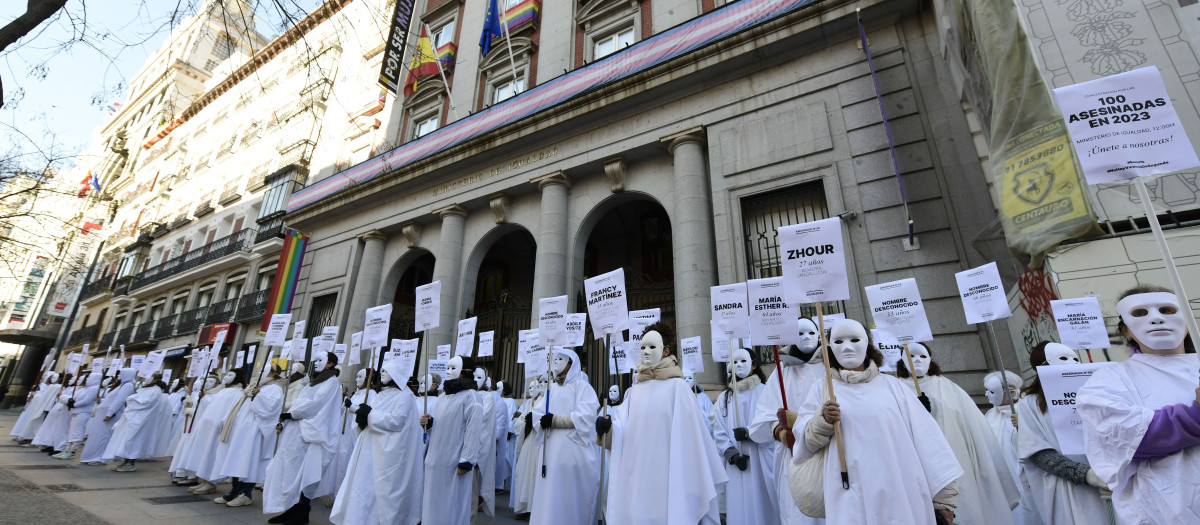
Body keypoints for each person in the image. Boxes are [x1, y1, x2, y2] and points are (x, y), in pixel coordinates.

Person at [787, 319, 962, 524]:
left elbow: (928, 441)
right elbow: (804, 443)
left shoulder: (893, 387)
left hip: (898, 492)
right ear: (829, 347)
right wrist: (822, 420)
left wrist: (944, 499)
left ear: (867, 345)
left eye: (854, 339)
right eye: (839, 341)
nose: (848, 347)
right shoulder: (821, 389)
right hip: (848, 495)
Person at [1078, 286, 1200, 523]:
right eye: (1140, 313)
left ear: (1187, 323)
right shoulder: (1108, 381)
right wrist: (1195, 415)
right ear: (1126, 331)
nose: (1156, 318)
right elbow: (1129, 439)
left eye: (1167, 309)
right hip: (1165, 512)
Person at [600, 321, 728, 524]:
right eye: (642, 347)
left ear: (666, 351)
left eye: (652, 347)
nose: (646, 352)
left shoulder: (678, 388)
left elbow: (691, 442)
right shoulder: (633, 393)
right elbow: (623, 432)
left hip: (668, 477)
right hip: (638, 479)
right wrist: (608, 429)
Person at [896, 343, 1019, 525]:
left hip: (955, 460)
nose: (917, 360)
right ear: (902, 362)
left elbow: (972, 426)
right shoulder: (895, 389)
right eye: (911, 356)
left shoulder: (947, 387)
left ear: (930, 361)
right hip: (914, 464)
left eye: (922, 356)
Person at [1016, 341, 1109, 524]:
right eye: (1063, 359)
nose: (1072, 363)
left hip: (1109, 480)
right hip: (1069, 489)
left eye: (1075, 358)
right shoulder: (1030, 404)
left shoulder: (1095, 395)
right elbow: (1036, 451)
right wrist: (1086, 475)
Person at [330, 356, 423, 525]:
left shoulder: (405, 396)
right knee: (362, 490)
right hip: (369, 450)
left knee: (379, 494)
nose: (383, 374)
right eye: (382, 371)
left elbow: (396, 421)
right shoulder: (382, 394)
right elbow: (370, 413)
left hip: (386, 456)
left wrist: (369, 415)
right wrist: (359, 413)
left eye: (387, 371)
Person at [750, 318, 825, 525]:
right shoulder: (782, 372)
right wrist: (779, 432)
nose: (806, 337)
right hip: (792, 457)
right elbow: (761, 418)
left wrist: (806, 424)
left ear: (819, 335)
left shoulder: (830, 369)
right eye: (799, 333)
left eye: (811, 332)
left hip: (827, 454)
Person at [263, 352, 343, 525]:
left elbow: (315, 406)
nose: (315, 363)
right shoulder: (313, 382)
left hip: (311, 436)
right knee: (290, 473)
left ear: (329, 364)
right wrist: (285, 420)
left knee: (304, 475)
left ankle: (301, 514)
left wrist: (291, 414)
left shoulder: (331, 383)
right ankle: (290, 510)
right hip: (295, 433)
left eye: (320, 360)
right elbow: (300, 402)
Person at [530, 347, 601, 524]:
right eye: (555, 358)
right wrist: (542, 420)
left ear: (572, 363)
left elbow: (586, 416)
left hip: (572, 452)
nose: (556, 362)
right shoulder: (551, 389)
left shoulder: (582, 387)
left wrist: (556, 420)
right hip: (551, 453)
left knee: (568, 497)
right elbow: (537, 414)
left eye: (561, 359)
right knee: (549, 498)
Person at [714, 349, 778, 525]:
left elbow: (773, 423)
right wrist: (731, 454)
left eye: (743, 361)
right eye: (734, 362)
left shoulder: (765, 392)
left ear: (754, 365)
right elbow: (719, 430)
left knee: (763, 507)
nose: (739, 365)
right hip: (738, 466)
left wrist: (750, 433)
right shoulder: (724, 399)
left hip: (761, 461)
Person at [420, 355, 485, 525]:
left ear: (465, 372)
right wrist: (430, 423)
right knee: (432, 506)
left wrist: (467, 460)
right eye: (447, 367)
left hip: (454, 463)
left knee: (451, 507)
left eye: (453, 368)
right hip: (435, 461)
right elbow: (441, 426)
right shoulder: (442, 397)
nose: (448, 371)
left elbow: (473, 430)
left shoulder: (472, 397)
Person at [211, 363, 285, 507]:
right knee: (236, 461)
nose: (260, 372)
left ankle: (246, 494)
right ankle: (234, 491)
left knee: (248, 462)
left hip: (254, 432)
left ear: (272, 374)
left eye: (265, 370)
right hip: (241, 430)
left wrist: (258, 396)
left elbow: (270, 408)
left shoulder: (275, 388)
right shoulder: (254, 385)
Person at [982, 370, 1040, 525]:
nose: (987, 394)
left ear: (1010, 391)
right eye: (986, 390)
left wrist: (1023, 426)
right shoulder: (990, 416)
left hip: (1029, 480)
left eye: (992, 391)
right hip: (1005, 481)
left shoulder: (1027, 410)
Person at [180, 368, 246, 495]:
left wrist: (223, 423)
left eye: (230, 375)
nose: (226, 377)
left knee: (212, 453)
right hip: (208, 427)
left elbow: (231, 411)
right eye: (226, 374)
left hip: (217, 429)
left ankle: (211, 483)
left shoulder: (238, 393)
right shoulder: (223, 391)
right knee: (204, 452)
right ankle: (204, 480)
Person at [103, 372, 172, 472]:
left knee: (133, 441)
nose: (147, 380)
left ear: (156, 380)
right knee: (125, 440)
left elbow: (146, 403)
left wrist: (132, 398)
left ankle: (130, 463)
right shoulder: (143, 389)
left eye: (150, 377)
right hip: (131, 418)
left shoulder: (156, 391)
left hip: (140, 420)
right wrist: (133, 398)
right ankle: (125, 461)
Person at [80, 368, 136, 465]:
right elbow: (110, 399)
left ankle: (99, 458)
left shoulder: (128, 385)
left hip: (110, 415)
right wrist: (100, 401)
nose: (119, 376)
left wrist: (109, 413)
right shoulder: (121, 385)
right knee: (96, 436)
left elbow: (119, 400)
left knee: (104, 437)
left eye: (121, 374)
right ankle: (91, 456)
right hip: (103, 413)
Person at [337, 368, 377, 486]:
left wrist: (352, 406)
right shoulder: (357, 394)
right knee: (342, 460)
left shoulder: (371, 395)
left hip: (357, 432)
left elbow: (365, 412)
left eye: (360, 377)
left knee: (352, 461)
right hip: (347, 432)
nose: (356, 379)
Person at [512, 377, 544, 519]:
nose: (542, 385)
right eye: (540, 382)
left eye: (545, 382)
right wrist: (527, 422)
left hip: (542, 443)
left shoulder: (554, 399)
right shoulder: (533, 402)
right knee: (524, 473)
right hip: (529, 442)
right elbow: (520, 423)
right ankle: (524, 507)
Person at [472, 367, 500, 519]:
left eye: (479, 377)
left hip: (477, 445)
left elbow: (481, 418)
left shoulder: (488, 397)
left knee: (472, 487)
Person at [55, 371, 102, 460]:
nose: (87, 379)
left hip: (83, 412)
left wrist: (74, 405)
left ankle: (72, 451)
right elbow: (75, 397)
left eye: (89, 377)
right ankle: (67, 449)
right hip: (76, 411)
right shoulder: (84, 388)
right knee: (72, 431)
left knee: (78, 431)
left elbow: (86, 401)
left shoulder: (94, 388)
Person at [11, 372, 61, 444]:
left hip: (43, 408)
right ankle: (25, 436)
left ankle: (31, 438)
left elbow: (47, 398)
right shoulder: (41, 386)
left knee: (37, 422)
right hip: (35, 406)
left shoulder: (56, 387)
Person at [684, 373, 715, 438]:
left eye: (689, 378)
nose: (686, 380)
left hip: (701, 432)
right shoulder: (678, 397)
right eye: (684, 378)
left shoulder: (703, 397)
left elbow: (711, 414)